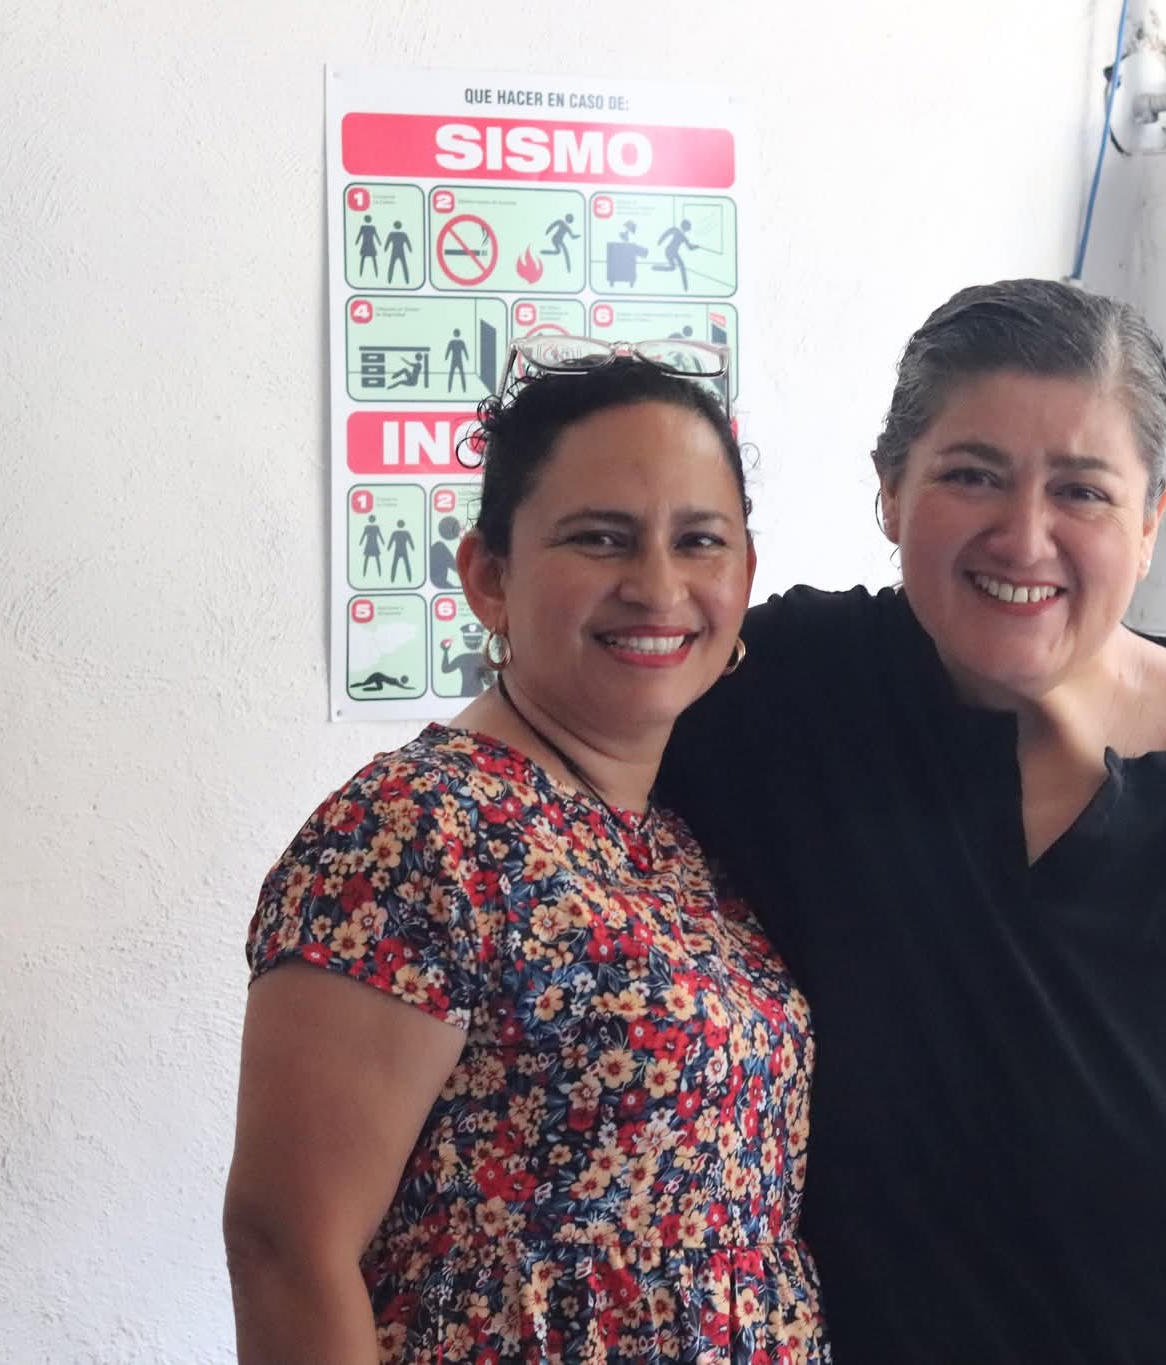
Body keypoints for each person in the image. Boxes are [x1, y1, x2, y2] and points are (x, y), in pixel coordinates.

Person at [660, 279, 1166, 1364]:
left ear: (1149, 523)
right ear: (889, 493)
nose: (1023, 536)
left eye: (1083, 493)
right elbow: (545, 749)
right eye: (971, 475)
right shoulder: (772, 705)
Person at [225, 357, 827, 1364]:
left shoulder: (677, 843)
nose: (657, 586)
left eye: (699, 542)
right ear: (489, 577)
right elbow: (285, 1248)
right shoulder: (415, 833)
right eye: (599, 538)